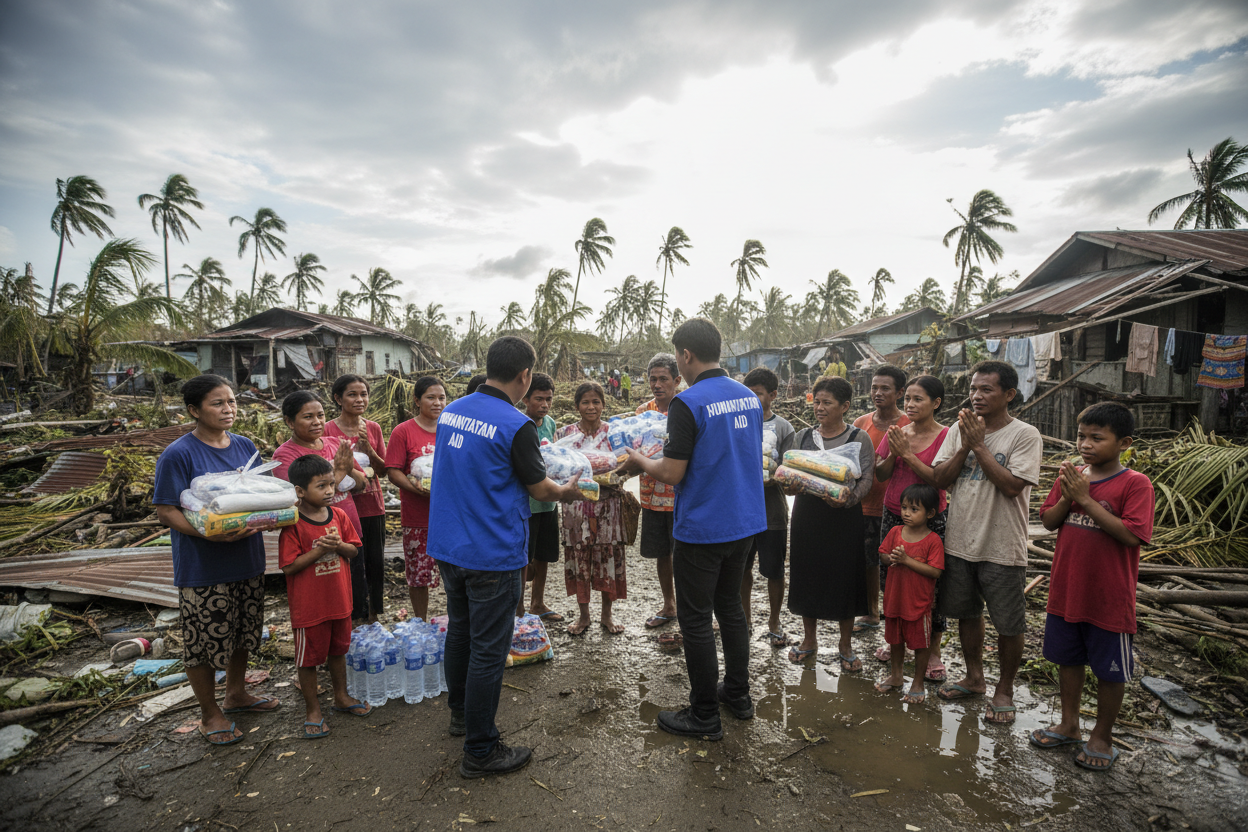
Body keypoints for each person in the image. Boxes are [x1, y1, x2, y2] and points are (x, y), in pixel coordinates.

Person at [428, 335, 580, 778]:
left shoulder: (453, 411)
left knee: (461, 633)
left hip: (449, 545)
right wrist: (568, 492)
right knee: (489, 652)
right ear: (525, 375)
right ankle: (480, 749)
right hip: (490, 552)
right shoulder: (516, 426)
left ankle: (460, 716)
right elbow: (540, 488)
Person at [624, 318, 766, 741]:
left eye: (678, 360)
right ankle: (737, 696)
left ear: (685, 355)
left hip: (703, 526)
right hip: (744, 522)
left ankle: (704, 713)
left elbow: (670, 471)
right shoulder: (747, 397)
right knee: (732, 609)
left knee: (696, 620)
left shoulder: (689, 403)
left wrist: (638, 461)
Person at [153, 375, 280, 746]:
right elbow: (166, 510)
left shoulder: (244, 446)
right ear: (194, 410)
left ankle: (236, 694)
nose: (229, 409)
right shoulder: (179, 454)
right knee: (203, 640)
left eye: (232, 401)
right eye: (218, 403)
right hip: (204, 564)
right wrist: (208, 532)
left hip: (248, 556)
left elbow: (257, 494)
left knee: (243, 630)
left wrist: (262, 518)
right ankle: (210, 713)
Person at [1032, 403, 1153, 771]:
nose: (1085, 444)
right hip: (1067, 591)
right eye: (1082, 436)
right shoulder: (1071, 477)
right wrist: (1072, 493)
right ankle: (1069, 723)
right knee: (1068, 660)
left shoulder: (1135, 484)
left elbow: (1132, 536)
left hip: (1108, 598)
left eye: (1097, 438)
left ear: (1124, 443)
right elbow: (1050, 520)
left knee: (1109, 670)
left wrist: (1085, 499)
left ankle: (1102, 735)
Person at [930, 360, 1042, 725]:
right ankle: (975, 677)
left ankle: (1004, 689)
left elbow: (1012, 486)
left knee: (1009, 623)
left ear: (1009, 394)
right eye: (974, 389)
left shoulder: (1024, 435)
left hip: (1002, 544)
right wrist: (965, 446)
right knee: (966, 613)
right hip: (959, 540)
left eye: (986, 390)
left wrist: (978, 446)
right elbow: (939, 479)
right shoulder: (956, 431)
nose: (976, 396)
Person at [785, 376, 875, 669]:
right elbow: (789, 473)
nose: (820, 408)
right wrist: (788, 486)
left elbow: (867, 480)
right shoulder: (802, 437)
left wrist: (848, 499)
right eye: (817, 402)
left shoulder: (858, 438)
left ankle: (845, 644)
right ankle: (809, 638)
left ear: (845, 406)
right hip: (807, 516)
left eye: (827, 403)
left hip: (844, 518)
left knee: (845, 577)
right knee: (806, 574)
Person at [279, 454, 369, 738]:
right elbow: (289, 566)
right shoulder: (293, 524)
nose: (330, 491)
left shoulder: (340, 516)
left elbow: (354, 550)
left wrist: (339, 545)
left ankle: (341, 697)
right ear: (300, 491)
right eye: (321, 486)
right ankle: (313, 710)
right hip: (310, 609)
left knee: (338, 651)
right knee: (308, 660)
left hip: (340, 602)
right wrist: (319, 550)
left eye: (331, 484)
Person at [874, 375, 950, 680]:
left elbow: (940, 479)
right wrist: (894, 452)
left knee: (931, 587)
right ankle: (895, 642)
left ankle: (933, 652)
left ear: (936, 403)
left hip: (932, 519)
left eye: (919, 399)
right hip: (894, 515)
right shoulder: (897, 432)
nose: (911, 405)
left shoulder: (946, 436)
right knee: (891, 579)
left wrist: (907, 454)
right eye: (909, 399)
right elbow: (881, 475)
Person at [557, 381, 628, 635]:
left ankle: (607, 616)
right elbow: (556, 467)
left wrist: (613, 477)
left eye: (596, 401)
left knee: (607, 555)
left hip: (608, 505)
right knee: (579, 557)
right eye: (585, 402)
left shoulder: (615, 433)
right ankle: (583, 616)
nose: (591, 407)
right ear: (577, 406)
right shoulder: (565, 435)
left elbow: (626, 465)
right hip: (576, 507)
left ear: (603, 404)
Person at [873, 483, 945, 705]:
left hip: (918, 604)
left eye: (914, 509)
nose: (906, 513)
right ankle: (896, 676)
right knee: (895, 640)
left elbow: (935, 571)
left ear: (930, 513)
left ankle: (917, 683)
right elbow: (883, 554)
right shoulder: (895, 532)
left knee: (920, 645)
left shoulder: (933, 540)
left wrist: (906, 560)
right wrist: (891, 558)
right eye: (904, 507)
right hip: (895, 600)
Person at [324, 374, 388, 624]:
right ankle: (348, 618)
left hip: (372, 505)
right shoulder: (327, 429)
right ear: (338, 399)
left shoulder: (373, 428)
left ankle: (372, 619)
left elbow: (383, 470)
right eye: (352, 394)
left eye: (363, 394)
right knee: (347, 565)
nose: (360, 399)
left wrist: (367, 448)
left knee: (374, 563)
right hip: (340, 507)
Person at [384, 376, 447, 623]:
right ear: (417, 400)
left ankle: (459, 622)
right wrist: (415, 487)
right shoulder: (404, 431)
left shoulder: (452, 429)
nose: (437, 403)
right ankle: (420, 622)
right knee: (419, 575)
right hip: (418, 516)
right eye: (430, 397)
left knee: (457, 571)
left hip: (451, 515)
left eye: (441, 397)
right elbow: (393, 471)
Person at [852, 364, 909, 633]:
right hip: (863, 502)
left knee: (895, 562)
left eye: (885, 388)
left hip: (898, 507)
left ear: (899, 392)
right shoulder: (861, 423)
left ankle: (895, 615)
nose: (877, 393)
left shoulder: (909, 424)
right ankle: (872, 612)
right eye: (874, 387)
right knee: (866, 560)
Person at [741, 366, 795, 647]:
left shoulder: (784, 428)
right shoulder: (736, 423)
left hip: (772, 510)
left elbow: (788, 469)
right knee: (741, 568)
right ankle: (745, 619)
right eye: (748, 393)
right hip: (740, 510)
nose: (752, 398)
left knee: (774, 569)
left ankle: (774, 620)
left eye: (758, 394)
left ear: (772, 395)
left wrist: (774, 477)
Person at [273, 392, 366, 537]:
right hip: (314, 535)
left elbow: (362, 484)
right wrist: (340, 472)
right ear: (290, 422)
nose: (317, 422)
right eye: (308, 417)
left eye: (320, 415)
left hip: (349, 529)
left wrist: (349, 469)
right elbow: (298, 499)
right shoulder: (285, 455)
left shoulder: (335, 444)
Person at [637, 354, 681, 642]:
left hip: (681, 496)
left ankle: (694, 609)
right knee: (662, 554)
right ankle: (669, 604)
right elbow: (632, 446)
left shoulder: (686, 408)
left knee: (687, 555)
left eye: (663, 378)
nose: (657, 384)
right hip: (651, 495)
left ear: (677, 380)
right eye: (653, 379)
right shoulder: (643, 412)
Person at [518, 372, 562, 622]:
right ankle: (519, 607)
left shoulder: (550, 424)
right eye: (539, 399)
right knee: (524, 559)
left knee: (544, 555)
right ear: (525, 398)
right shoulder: (517, 423)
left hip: (548, 502)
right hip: (527, 503)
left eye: (549, 399)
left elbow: (554, 457)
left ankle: (538, 603)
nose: (544, 405)